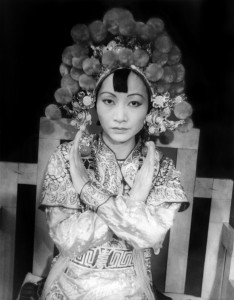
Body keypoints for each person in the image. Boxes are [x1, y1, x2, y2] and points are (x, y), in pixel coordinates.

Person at [39, 7, 192, 300]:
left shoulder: (160, 168)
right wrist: (133, 204)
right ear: (93, 104)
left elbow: (149, 235)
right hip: (70, 287)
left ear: (151, 108)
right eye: (109, 101)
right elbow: (67, 239)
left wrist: (89, 191)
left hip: (132, 289)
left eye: (134, 103)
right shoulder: (66, 159)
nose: (120, 116)